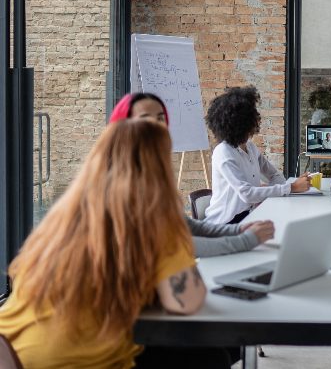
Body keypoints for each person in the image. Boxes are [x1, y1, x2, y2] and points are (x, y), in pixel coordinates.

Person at [0, 120, 230, 368]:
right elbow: (188, 301)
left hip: (15, 352)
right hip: (79, 362)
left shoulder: (58, 222)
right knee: (212, 356)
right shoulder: (150, 228)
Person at [108, 92, 276, 257]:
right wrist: (246, 240)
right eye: (145, 118)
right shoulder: (122, 182)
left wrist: (238, 230)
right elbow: (182, 243)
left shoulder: (150, 175)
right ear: (124, 128)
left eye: (160, 118)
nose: (155, 125)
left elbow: (182, 225)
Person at [204, 85, 311, 224]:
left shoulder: (250, 147)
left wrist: (269, 190)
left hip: (249, 216)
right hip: (224, 223)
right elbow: (247, 195)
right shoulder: (223, 152)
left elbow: (275, 176)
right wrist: (292, 187)